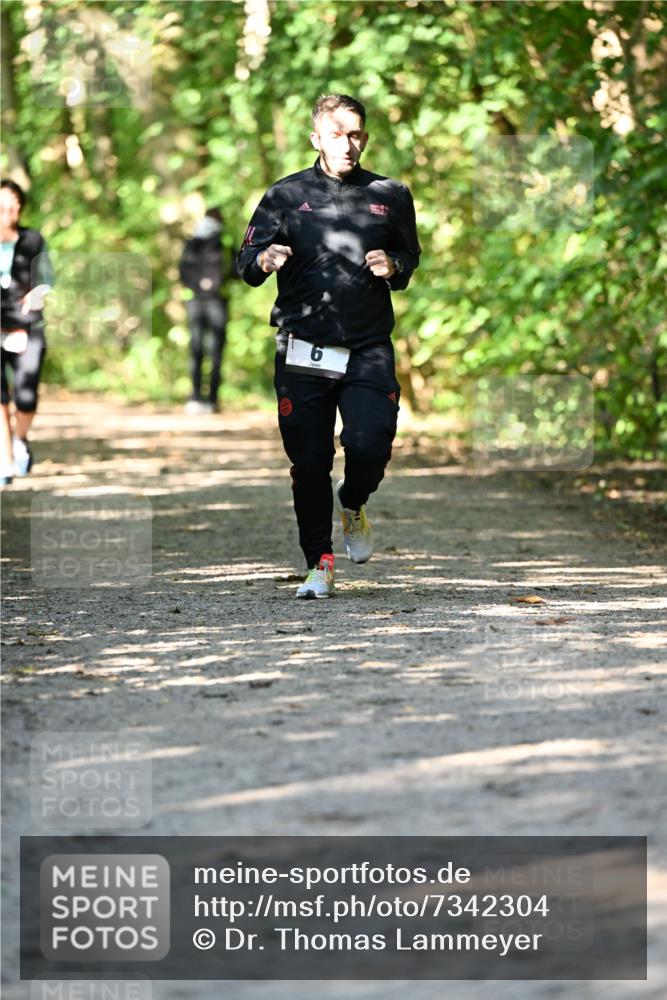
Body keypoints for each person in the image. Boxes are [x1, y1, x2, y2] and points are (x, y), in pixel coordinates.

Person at [237, 94, 420, 598]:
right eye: (337, 134)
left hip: (367, 345)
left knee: (370, 443)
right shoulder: (284, 195)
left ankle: (355, 499)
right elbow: (245, 261)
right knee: (310, 461)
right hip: (302, 345)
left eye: (356, 133)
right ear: (317, 138)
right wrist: (264, 259)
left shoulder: (391, 193)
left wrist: (395, 267)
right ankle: (320, 562)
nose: (348, 143)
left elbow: (409, 254)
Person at [1, 179, 53, 486]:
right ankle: (4, 461)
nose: (9, 209)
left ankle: (20, 439)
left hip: (27, 325)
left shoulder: (33, 240)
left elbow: (47, 278)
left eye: (15, 203)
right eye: (3, 203)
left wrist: (38, 293)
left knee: (26, 396)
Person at [179, 207, 230, 414]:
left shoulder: (214, 243)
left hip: (205, 303)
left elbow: (182, 271)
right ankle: (203, 399)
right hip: (208, 303)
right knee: (205, 350)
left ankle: (204, 398)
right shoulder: (220, 243)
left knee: (206, 351)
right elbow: (238, 269)